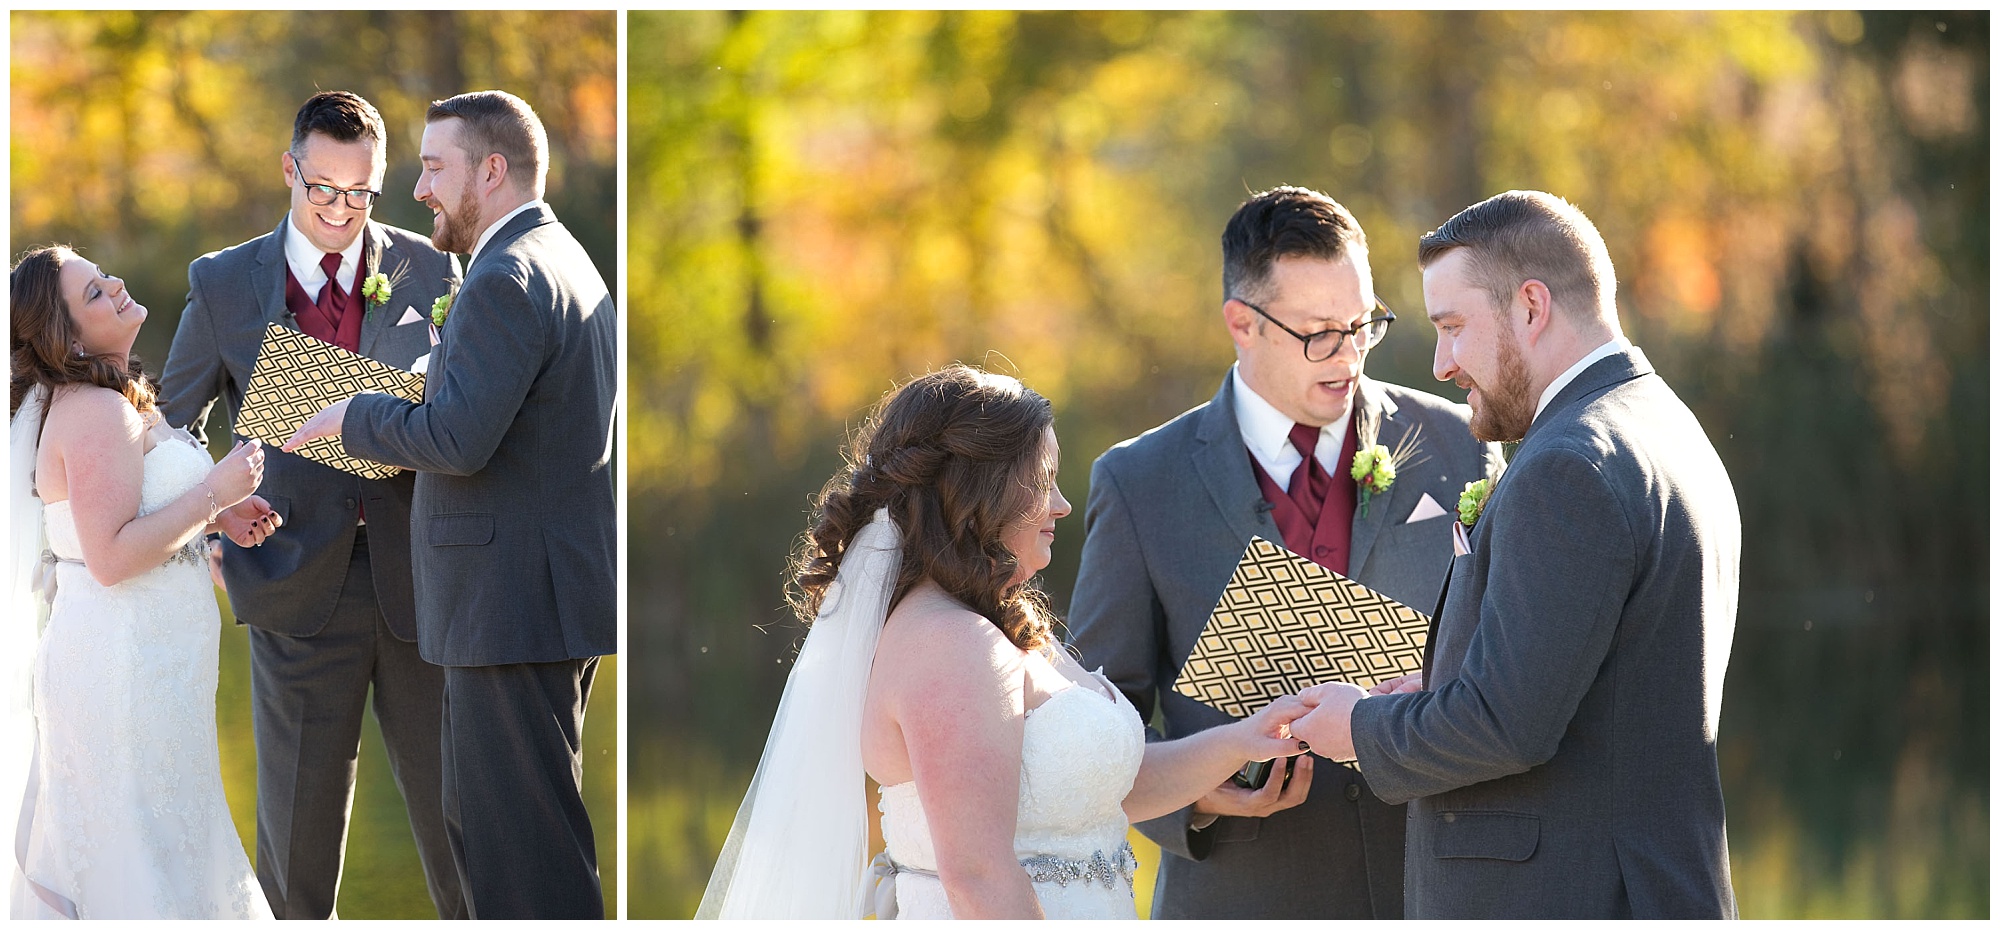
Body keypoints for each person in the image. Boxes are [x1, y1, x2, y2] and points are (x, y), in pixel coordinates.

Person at [697, 366, 1312, 919]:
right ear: (980, 492)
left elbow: (1099, 788)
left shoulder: (996, 623)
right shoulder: (950, 643)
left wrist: (1242, 740)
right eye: (1043, 481)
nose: (1062, 504)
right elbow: (979, 879)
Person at [1289, 191, 1741, 918]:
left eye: (1453, 327)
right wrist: (1438, 688)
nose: (1441, 364)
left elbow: (1505, 726)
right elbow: (1580, 684)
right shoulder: (1660, 424)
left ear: (1531, 306)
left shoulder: (1571, 465)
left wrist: (1357, 726)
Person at [1065, 186, 1503, 918]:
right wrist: (1197, 792)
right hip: (1244, 895)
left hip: (1436, 886)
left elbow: (1506, 653)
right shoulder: (1140, 482)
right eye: (1318, 333)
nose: (1348, 356)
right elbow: (1095, 728)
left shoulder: (1462, 439)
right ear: (1243, 323)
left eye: (1364, 325)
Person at [283, 90, 616, 919]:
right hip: (529, 603)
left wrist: (355, 415)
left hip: (508, 610)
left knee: (522, 866)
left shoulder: (505, 275)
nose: (420, 189)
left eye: (434, 167)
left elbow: (459, 440)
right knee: (514, 849)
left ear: (491, 171)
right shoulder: (558, 256)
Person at [157, 90, 465, 920]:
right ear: (290, 170)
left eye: (359, 192)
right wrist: (211, 515)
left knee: (461, 845)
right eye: (321, 188)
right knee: (295, 873)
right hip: (293, 591)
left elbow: (461, 416)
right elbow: (166, 432)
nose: (339, 210)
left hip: (422, 588)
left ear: (382, 182)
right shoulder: (223, 284)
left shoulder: (432, 269)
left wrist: (377, 408)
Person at [7, 246, 278, 919]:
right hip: (122, 675)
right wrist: (214, 494)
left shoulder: (122, 398)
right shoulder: (94, 414)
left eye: (105, 276)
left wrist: (216, 522)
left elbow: (142, 512)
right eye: (95, 293)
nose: (117, 284)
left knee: (169, 853)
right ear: (68, 338)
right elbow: (110, 558)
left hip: (157, 672)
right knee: (138, 867)